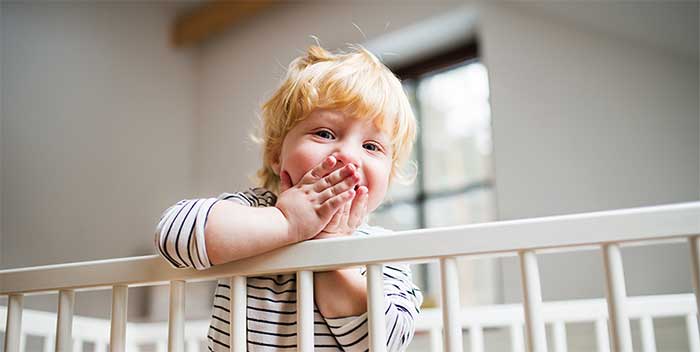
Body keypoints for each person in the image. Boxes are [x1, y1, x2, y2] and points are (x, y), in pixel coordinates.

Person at [154, 44, 423, 352]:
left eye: (372, 147)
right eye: (324, 133)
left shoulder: (384, 253)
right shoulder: (256, 211)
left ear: (388, 176)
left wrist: (330, 246)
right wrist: (287, 222)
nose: (348, 156)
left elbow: (383, 344)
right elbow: (172, 235)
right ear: (276, 155)